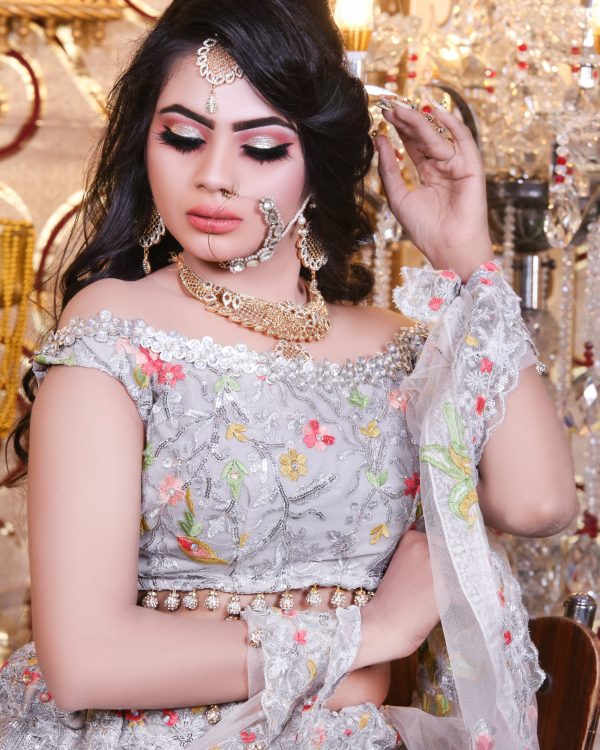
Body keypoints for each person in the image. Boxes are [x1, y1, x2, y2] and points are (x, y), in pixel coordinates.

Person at [0, 0, 576, 747]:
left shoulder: (398, 347)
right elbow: (85, 660)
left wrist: (464, 257)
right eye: (181, 137)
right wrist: (371, 631)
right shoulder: (115, 326)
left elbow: (538, 503)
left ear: (317, 159)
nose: (212, 178)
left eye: (261, 149)